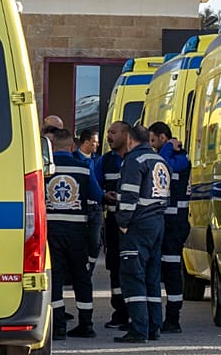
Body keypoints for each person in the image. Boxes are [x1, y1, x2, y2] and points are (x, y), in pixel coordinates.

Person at [113, 123, 169, 343]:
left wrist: (123, 223)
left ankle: (138, 329)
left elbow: (128, 195)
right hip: (157, 222)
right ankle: (154, 326)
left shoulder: (134, 161)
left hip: (138, 225)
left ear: (129, 139)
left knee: (133, 276)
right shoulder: (160, 161)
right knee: (152, 278)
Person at [45, 128, 102, 339]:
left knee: (56, 278)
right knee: (82, 277)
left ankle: (58, 326)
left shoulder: (44, 170)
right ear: (72, 147)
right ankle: (86, 324)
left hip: (52, 232)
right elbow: (97, 196)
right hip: (78, 231)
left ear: (51, 148)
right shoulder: (84, 168)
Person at [149, 121, 190, 333]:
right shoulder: (170, 155)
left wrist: (167, 148)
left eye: (153, 139)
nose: (151, 144)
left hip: (175, 225)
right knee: (160, 270)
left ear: (163, 138)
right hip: (166, 223)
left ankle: (173, 318)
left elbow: (161, 166)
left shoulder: (180, 158)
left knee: (173, 272)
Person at [97, 121, 132, 330]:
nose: (109, 136)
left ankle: (133, 312)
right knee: (115, 268)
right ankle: (119, 311)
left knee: (132, 267)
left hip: (132, 225)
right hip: (112, 223)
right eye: (108, 132)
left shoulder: (134, 158)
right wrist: (103, 196)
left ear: (126, 135)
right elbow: (95, 185)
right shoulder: (105, 161)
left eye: (113, 132)